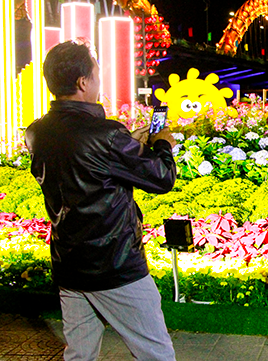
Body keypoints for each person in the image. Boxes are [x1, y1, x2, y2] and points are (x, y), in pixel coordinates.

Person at [24, 39, 178, 361]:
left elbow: (81, 163)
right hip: (115, 265)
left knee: (79, 355)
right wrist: (161, 144)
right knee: (156, 354)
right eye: (96, 73)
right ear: (83, 82)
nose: (98, 79)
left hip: (70, 265)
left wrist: (125, 145)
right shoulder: (106, 135)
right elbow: (161, 178)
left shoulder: (37, 132)